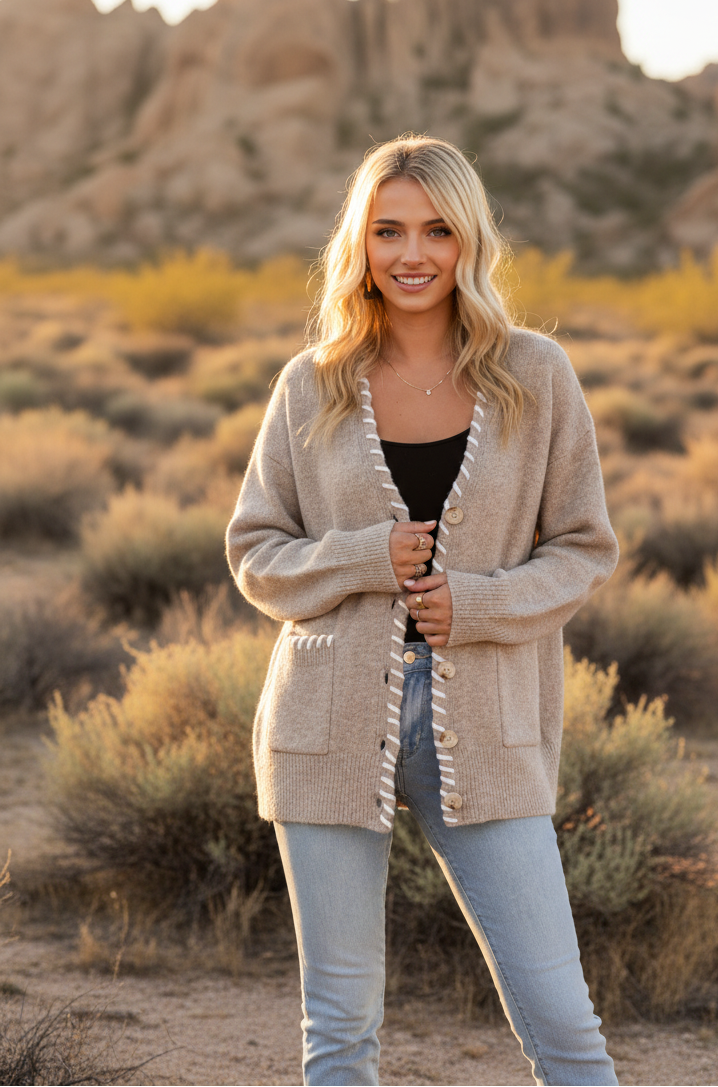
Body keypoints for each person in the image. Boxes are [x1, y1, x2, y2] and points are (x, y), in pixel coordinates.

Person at [226, 135, 619, 1087]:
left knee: (564, 1022)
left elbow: (584, 547)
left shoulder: (536, 374)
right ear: (358, 243)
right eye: (388, 229)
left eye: (437, 230)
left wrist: (478, 604)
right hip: (325, 724)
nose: (412, 254)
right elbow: (254, 553)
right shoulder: (309, 384)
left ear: (469, 240)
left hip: (488, 722)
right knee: (341, 1027)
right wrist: (364, 557)